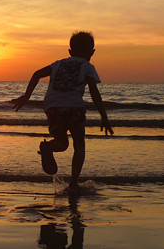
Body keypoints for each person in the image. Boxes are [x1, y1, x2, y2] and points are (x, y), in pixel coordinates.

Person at [12, 31, 114, 195]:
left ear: (70, 51)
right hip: (74, 108)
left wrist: (27, 96)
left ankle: (48, 146)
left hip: (53, 107)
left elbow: (37, 74)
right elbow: (95, 93)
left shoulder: (57, 64)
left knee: (62, 143)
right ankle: (73, 184)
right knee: (79, 145)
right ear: (92, 52)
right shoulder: (87, 66)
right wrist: (104, 117)